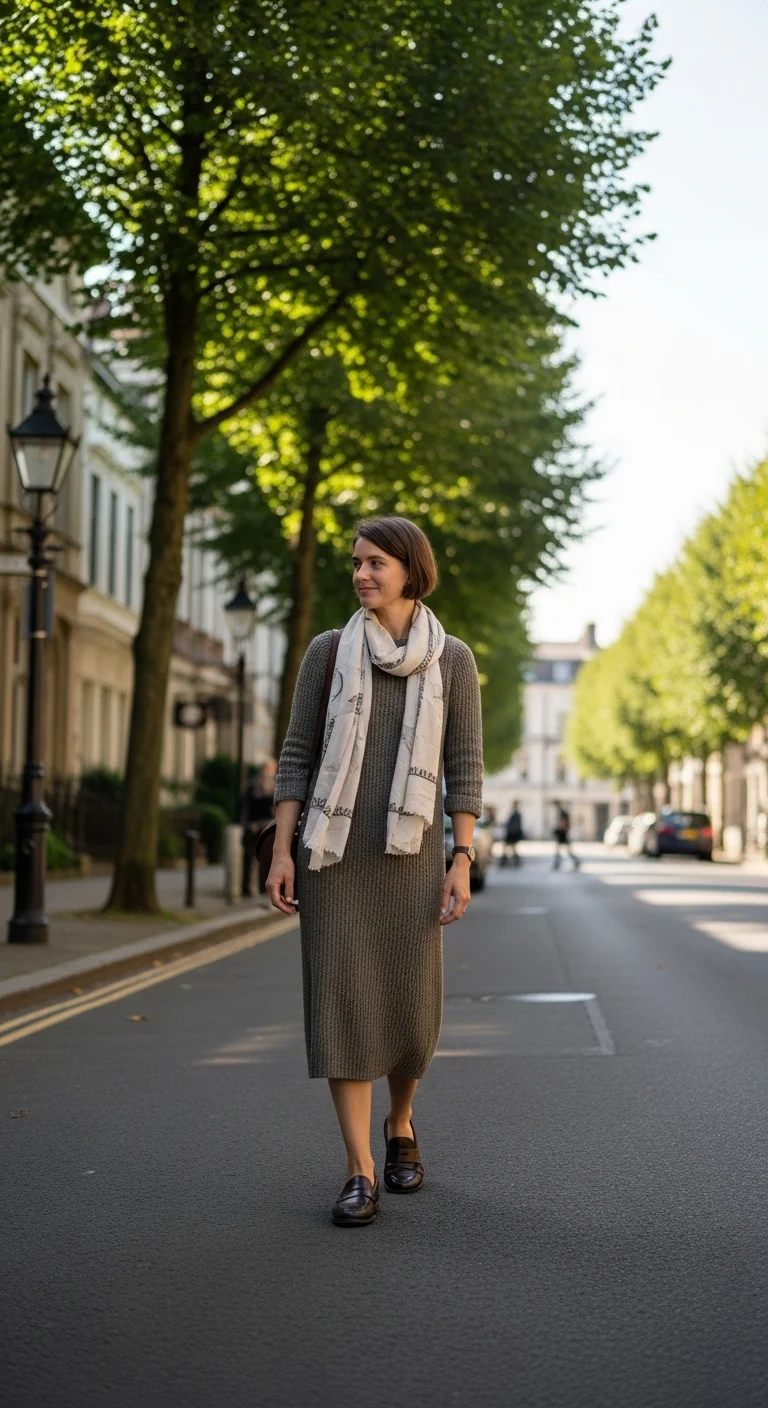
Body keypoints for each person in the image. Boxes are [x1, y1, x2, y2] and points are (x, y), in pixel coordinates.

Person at [267, 516, 483, 1227]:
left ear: (410, 571)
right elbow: (297, 756)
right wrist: (282, 851)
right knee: (342, 1005)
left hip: (410, 857)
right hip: (332, 857)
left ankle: (401, 1120)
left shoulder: (452, 660)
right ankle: (359, 1169)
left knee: (410, 1012)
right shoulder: (329, 651)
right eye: (356, 562)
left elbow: (463, 767)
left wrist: (461, 857)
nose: (361, 574)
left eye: (375, 563)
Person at [238, 761, 276, 896]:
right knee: (249, 858)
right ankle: (246, 888)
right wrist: (249, 823)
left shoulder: (275, 788)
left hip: (267, 827)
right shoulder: (252, 788)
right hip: (252, 827)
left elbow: (276, 811)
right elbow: (244, 808)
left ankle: (263, 888)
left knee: (266, 858)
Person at [552, 800, 579, 871]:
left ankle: (575, 861)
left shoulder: (562, 812)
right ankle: (557, 863)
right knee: (561, 849)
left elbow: (563, 823)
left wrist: (558, 829)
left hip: (562, 833)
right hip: (562, 833)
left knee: (565, 850)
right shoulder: (562, 812)